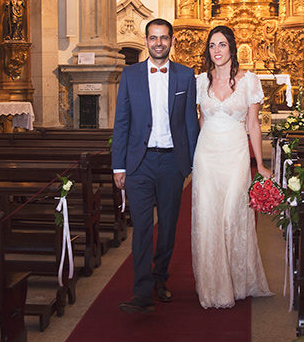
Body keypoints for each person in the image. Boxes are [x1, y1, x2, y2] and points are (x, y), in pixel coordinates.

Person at [112, 18, 200, 314]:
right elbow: (121, 122)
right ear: (146, 40)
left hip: (172, 163)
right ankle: (141, 291)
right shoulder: (131, 75)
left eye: (163, 38)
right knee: (142, 229)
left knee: (167, 228)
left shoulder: (186, 76)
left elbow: (190, 122)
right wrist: (118, 166)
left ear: (172, 40)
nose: (158, 43)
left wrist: (191, 163)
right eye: (153, 38)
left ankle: (161, 279)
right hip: (139, 163)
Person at [192, 25, 273, 309]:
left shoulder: (249, 80)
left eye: (222, 44)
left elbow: (253, 124)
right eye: (212, 45)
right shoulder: (200, 81)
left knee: (232, 214)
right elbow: (201, 120)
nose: (216, 50)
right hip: (207, 154)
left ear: (232, 47)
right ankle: (213, 283)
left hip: (237, 152)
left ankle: (238, 281)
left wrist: (260, 163)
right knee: (209, 216)